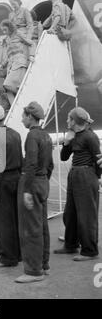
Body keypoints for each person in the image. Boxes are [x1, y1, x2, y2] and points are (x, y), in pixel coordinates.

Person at [54, 108, 101, 261]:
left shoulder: (90, 136)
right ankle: (71, 244)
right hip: (75, 175)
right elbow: (63, 157)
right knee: (70, 213)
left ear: (74, 121)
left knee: (87, 215)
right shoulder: (74, 136)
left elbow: (99, 160)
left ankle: (90, 250)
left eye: (69, 119)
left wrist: (97, 179)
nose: (67, 121)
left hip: (86, 175)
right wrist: (67, 143)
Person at [15, 102, 54, 283]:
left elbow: (30, 163)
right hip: (43, 181)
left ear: (30, 117)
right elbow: (50, 164)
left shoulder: (31, 136)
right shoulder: (46, 135)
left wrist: (28, 190)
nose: (22, 119)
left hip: (32, 182)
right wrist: (43, 180)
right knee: (42, 226)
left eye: (23, 116)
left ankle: (33, 271)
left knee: (30, 228)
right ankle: (44, 265)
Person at [0, 104, 23, 268]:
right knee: (16, 218)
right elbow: (21, 160)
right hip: (16, 178)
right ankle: (19, 253)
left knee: (2, 222)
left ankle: (8, 258)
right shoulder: (16, 135)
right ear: (4, 116)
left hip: (2, 182)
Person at [0, 20, 33, 106]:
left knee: (7, 85)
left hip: (19, 62)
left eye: (5, 29)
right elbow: (7, 54)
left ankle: (22, 95)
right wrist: (2, 65)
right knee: (7, 89)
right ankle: (15, 105)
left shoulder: (18, 33)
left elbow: (30, 43)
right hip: (11, 65)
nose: (4, 32)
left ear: (10, 28)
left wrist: (31, 55)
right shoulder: (7, 39)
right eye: (2, 30)